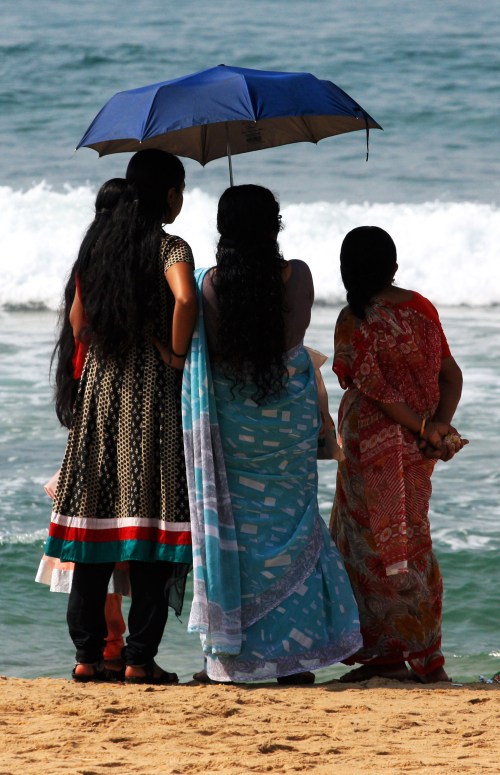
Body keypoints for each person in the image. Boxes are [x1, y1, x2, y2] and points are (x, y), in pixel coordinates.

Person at [183, 184, 362, 684]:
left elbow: (214, 351)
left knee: (237, 532)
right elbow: (294, 342)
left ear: (223, 231)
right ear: (275, 225)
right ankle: (294, 661)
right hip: (289, 418)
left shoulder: (210, 284)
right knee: (295, 525)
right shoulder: (298, 275)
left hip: (235, 420)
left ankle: (234, 657)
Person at [43, 149, 197, 683]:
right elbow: (186, 299)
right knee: (151, 525)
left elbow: (79, 321)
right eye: (180, 190)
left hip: (100, 390)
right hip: (150, 392)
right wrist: (175, 355)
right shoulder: (170, 245)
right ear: (169, 194)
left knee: (95, 524)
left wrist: (111, 341)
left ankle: (87, 656)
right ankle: (138, 659)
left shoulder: (100, 243)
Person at [329, 226, 467, 683]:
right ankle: (425, 655)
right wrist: (437, 427)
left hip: (370, 452)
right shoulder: (421, 308)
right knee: (413, 542)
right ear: (394, 266)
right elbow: (452, 375)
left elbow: (377, 395)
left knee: (368, 550)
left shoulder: (354, 319)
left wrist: (426, 426)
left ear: (347, 270)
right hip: (414, 452)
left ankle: (384, 654)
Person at [37, 178, 129, 670]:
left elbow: (75, 332)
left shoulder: (87, 264)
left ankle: (99, 646)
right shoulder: (115, 267)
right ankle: (111, 645)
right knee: (111, 528)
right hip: (112, 405)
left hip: (87, 406)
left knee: (92, 525)